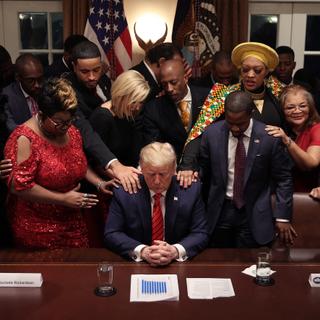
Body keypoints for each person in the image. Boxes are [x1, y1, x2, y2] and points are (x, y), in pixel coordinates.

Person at [4, 78, 116, 249]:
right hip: (36, 227)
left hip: (72, 218)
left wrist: (99, 183)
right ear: (41, 114)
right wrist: (63, 199)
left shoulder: (71, 131)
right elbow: (19, 186)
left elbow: (77, 162)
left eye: (69, 121)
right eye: (59, 122)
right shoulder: (24, 139)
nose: (65, 127)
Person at [178, 42, 287, 187]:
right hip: (232, 170)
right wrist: (187, 165)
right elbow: (199, 131)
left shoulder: (280, 93)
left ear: (267, 71)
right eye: (245, 70)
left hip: (270, 171)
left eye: (257, 70)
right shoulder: (223, 94)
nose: (250, 75)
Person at [200, 91, 296, 248]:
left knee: (249, 266)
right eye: (230, 122)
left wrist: (282, 217)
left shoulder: (269, 138)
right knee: (219, 263)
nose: (235, 128)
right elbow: (204, 170)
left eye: (241, 123)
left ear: (251, 114)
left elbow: (284, 178)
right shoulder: (212, 134)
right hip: (220, 211)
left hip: (254, 212)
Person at [104, 142, 208, 266]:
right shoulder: (124, 191)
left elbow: (201, 233)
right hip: (136, 264)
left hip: (177, 264)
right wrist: (142, 251)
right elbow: (112, 233)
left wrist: (175, 251)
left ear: (174, 170)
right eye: (151, 174)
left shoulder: (190, 190)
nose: (157, 181)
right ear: (141, 169)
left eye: (163, 174)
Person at [65, 40, 141, 194]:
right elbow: (87, 133)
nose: (92, 77)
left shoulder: (104, 81)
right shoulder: (67, 92)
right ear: (74, 67)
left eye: (96, 70)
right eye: (85, 72)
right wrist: (114, 165)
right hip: (86, 168)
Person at [143, 59, 209, 161]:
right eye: (164, 84)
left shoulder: (208, 98)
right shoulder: (153, 109)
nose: (169, 88)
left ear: (186, 78)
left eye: (173, 82)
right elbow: (155, 148)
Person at [89, 70, 150, 167]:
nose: (137, 107)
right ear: (121, 95)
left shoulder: (129, 112)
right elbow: (95, 161)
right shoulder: (102, 118)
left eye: (141, 102)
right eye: (134, 101)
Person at [265, 85, 320, 192]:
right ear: (281, 110)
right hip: (281, 194)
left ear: (310, 108)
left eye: (303, 106)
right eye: (290, 107)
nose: (297, 111)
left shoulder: (316, 129)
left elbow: (311, 163)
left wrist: (287, 141)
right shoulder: (279, 129)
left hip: (308, 197)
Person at [3, 53, 44, 132]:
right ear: (18, 78)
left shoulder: (46, 90)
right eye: (31, 80)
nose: (37, 85)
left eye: (40, 79)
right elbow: (12, 129)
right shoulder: (6, 97)